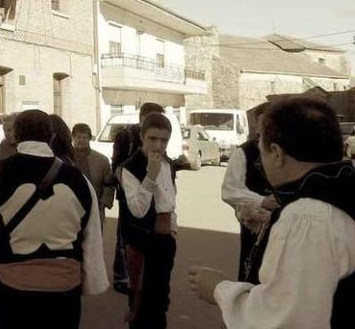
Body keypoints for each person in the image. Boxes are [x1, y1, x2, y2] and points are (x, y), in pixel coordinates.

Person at [189, 97, 355, 328]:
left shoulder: (307, 216)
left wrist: (218, 289)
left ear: (276, 154)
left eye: (263, 150)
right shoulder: (335, 189)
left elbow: (284, 317)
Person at [0, 110, 109, 328]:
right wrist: (91, 281)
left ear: (16, 137)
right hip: (64, 287)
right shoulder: (78, 179)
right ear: (52, 137)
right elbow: (91, 236)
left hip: (15, 286)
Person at [118, 112, 177, 329]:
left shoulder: (168, 164)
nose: (158, 145)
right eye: (153, 139)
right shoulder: (130, 167)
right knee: (141, 300)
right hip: (142, 242)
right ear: (142, 136)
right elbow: (138, 209)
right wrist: (150, 176)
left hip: (165, 240)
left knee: (161, 298)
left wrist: (173, 229)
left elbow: (170, 200)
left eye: (164, 140)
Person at [110, 102, 165, 294]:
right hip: (129, 193)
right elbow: (116, 165)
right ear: (142, 119)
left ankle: (141, 275)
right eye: (153, 118)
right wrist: (130, 183)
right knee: (125, 235)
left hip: (150, 193)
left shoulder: (160, 147)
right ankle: (122, 276)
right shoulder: (126, 136)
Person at [220, 102, 278, 282]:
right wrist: (261, 201)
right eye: (260, 129)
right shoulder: (244, 152)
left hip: (286, 227)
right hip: (255, 227)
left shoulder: (290, 150)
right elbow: (229, 190)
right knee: (253, 277)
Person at [72, 123, 115, 226]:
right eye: (78, 137)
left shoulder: (101, 160)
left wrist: (103, 204)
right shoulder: (66, 159)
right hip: (71, 208)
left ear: (89, 138)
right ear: (73, 137)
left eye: (84, 137)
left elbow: (109, 184)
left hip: (95, 207)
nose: (81, 140)